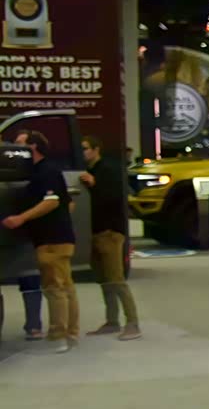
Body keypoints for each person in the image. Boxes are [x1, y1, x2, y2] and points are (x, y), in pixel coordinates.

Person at [0, 130, 79, 351]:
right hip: (57, 237)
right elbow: (68, 203)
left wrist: (22, 218)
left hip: (51, 239)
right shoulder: (42, 172)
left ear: (33, 146)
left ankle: (59, 335)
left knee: (54, 288)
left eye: (20, 144)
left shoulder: (46, 171)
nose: (15, 149)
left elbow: (52, 201)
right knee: (66, 286)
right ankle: (71, 332)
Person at [79, 135, 141, 339]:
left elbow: (113, 198)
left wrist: (94, 184)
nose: (83, 152)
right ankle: (112, 321)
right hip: (95, 232)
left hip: (110, 232)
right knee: (104, 280)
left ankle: (132, 323)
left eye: (85, 148)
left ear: (96, 149)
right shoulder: (89, 171)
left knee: (116, 279)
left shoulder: (108, 170)